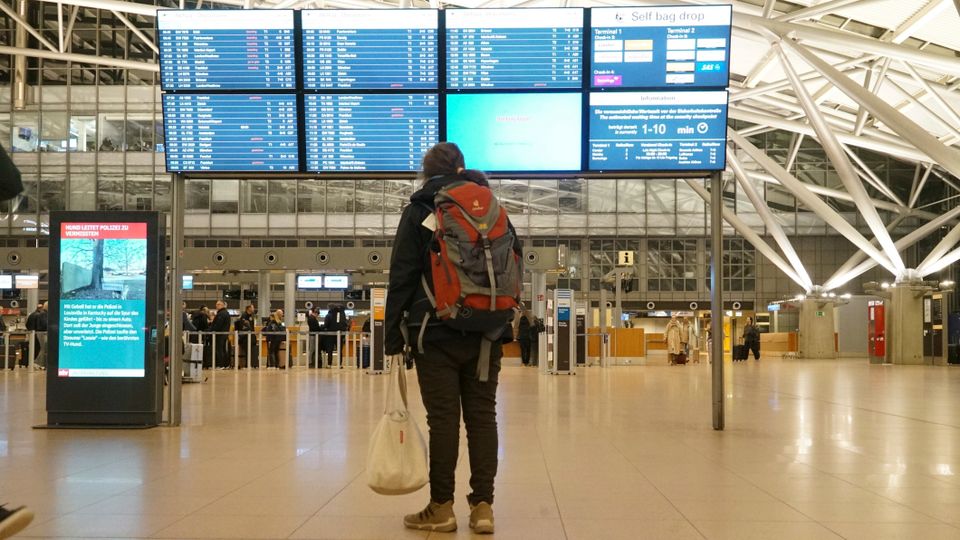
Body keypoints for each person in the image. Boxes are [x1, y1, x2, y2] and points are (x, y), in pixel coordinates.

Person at [385, 142, 520, 535]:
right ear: (461, 167)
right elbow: (514, 261)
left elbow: (402, 275)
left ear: (426, 172)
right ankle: (483, 507)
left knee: (443, 421)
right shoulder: (491, 207)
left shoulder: (420, 209)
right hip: (487, 332)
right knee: (483, 417)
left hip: (435, 332)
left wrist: (392, 336)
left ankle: (441, 507)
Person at [234, 304, 258, 368]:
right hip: (245, 337)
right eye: (252, 307)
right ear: (249, 308)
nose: (253, 309)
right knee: (247, 351)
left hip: (251, 336)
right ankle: (247, 365)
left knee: (251, 351)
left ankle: (251, 364)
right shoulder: (244, 316)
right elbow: (244, 327)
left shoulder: (251, 316)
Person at [210, 300, 232, 368]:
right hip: (224, 334)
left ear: (222, 305)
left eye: (218, 304)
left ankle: (221, 365)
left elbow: (218, 325)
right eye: (216, 304)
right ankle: (225, 365)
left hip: (220, 335)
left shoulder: (221, 314)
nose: (216, 305)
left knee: (220, 350)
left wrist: (211, 330)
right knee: (223, 349)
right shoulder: (225, 313)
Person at [25, 301, 47, 369]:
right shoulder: (40, 315)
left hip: (32, 334)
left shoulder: (32, 314)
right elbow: (42, 325)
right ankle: (36, 363)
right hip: (38, 333)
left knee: (34, 349)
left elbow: (27, 324)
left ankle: (32, 363)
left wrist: (30, 330)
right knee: (41, 348)